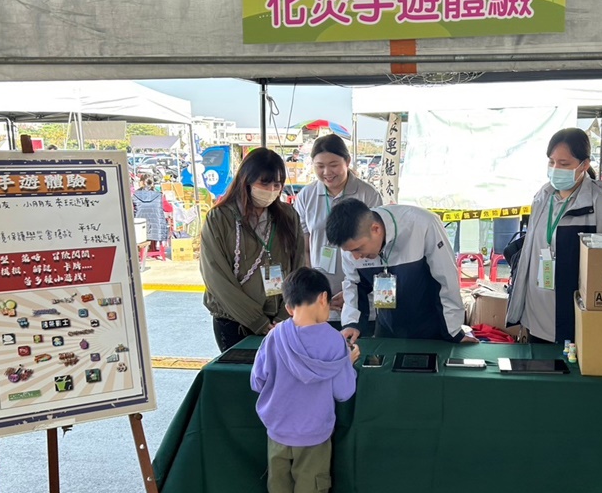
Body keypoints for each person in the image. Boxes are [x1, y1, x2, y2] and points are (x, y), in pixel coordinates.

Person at [251, 267, 359, 493]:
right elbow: (344, 393)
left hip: (277, 434)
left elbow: (257, 381)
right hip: (314, 437)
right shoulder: (334, 342)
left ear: (288, 306)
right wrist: (347, 363)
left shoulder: (274, 337)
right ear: (324, 298)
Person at [506, 128, 602, 344]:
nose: (555, 169)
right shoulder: (542, 197)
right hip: (535, 314)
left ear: (584, 165)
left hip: (575, 318)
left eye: (564, 164)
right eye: (551, 162)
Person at [199, 147, 306, 351]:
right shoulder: (220, 218)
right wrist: (257, 321)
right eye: (264, 183)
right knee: (242, 371)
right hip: (233, 321)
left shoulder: (288, 216)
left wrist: (285, 315)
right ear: (246, 180)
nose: (271, 190)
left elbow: (298, 267)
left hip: (279, 320)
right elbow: (216, 276)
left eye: (277, 184)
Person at [325, 198, 473, 343]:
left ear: (376, 229)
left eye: (358, 249)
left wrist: (453, 331)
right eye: (349, 251)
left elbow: (446, 280)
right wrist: (352, 324)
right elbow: (354, 284)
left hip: (432, 327)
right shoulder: (352, 243)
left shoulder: (423, 225)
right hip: (387, 327)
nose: (356, 257)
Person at [293, 135, 383, 326]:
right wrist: (313, 288)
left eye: (333, 165)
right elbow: (304, 248)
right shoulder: (306, 196)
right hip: (320, 299)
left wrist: (353, 291)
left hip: (361, 295)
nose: (327, 172)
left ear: (347, 161)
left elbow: (377, 247)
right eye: (320, 166)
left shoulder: (368, 194)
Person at [131, 177, 172, 253]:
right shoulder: (159, 196)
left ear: (142, 183)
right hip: (157, 227)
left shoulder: (135, 195)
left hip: (140, 228)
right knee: (159, 223)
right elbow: (169, 209)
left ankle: (143, 252)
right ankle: (157, 251)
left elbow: (131, 209)